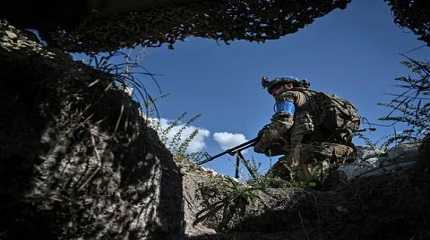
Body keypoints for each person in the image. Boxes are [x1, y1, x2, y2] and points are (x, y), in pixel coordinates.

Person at [254, 76, 358, 184]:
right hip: (337, 150)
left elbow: (283, 123)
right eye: (271, 92)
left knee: (271, 179)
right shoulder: (313, 99)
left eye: (276, 88)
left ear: (289, 86)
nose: (274, 93)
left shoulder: (287, 96)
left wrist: (261, 144)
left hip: (312, 154)